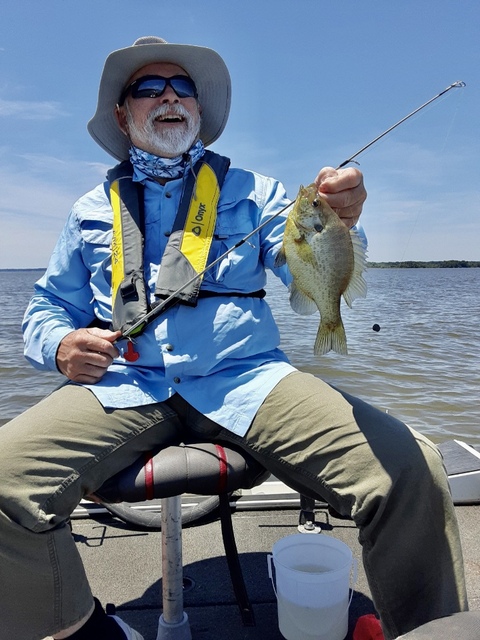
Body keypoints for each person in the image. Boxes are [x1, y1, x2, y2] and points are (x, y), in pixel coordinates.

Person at [0, 36, 467, 640]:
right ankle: (88, 631)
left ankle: (430, 631)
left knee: (410, 468)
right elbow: (45, 307)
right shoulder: (92, 206)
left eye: (183, 87)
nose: (169, 96)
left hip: (247, 380)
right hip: (126, 385)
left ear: (199, 109)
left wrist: (343, 223)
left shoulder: (259, 192)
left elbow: (304, 256)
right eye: (148, 88)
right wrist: (60, 345)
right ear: (123, 115)